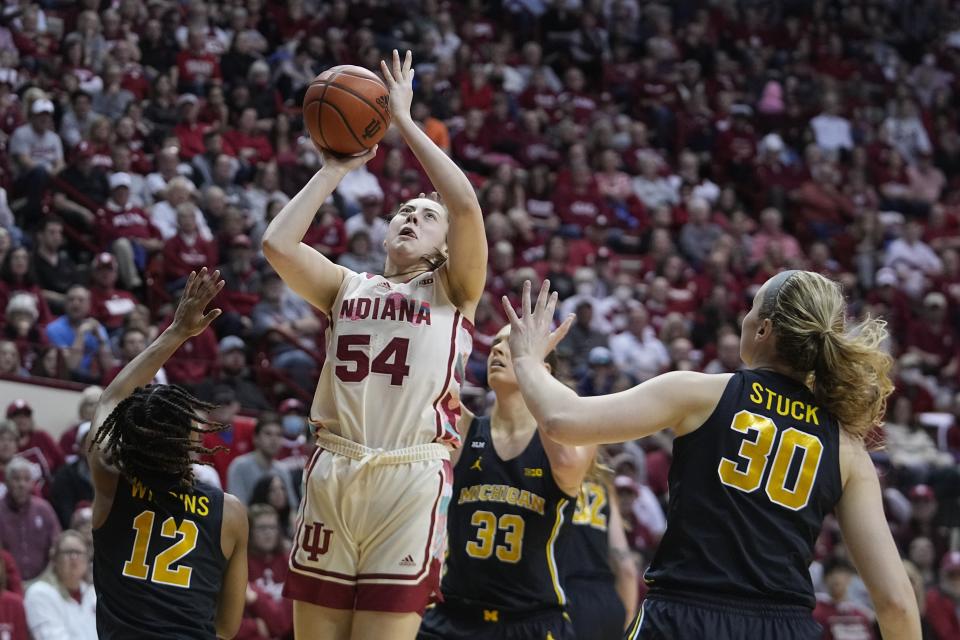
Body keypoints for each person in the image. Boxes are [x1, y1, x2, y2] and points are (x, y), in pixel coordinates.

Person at [501, 273, 921, 639]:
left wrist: (528, 357)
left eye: (752, 307)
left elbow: (561, 418)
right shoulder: (847, 447)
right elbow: (897, 604)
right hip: (785, 627)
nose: (745, 316)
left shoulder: (701, 392)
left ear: (764, 330)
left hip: (686, 616)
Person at [263, 50, 487, 640]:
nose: (411, 217)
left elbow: (464, 205)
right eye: (403, 212)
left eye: (424, 216)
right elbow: (278, 245)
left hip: (410, 474)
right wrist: (335, 167)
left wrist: (405, 123)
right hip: (336, 466)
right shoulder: (347, 286)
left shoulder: (454, 289)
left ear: (444, 244)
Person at [88, 268, 248, 639]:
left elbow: (111, 398)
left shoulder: (111, 483)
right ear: (191, 444)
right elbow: (225, 628)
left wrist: (176, 331)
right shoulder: (230, 513)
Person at [417, 325, 595, 639]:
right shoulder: (465, 428)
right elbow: (427, 379)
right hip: (453, 617)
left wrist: (536, 378)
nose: (497, 349)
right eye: (496, 342)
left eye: (512, 344)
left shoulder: (569, 441)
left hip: (531, 621)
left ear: (544, 369)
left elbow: (567, 461)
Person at [562, 468, 639, 639]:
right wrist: (627, 619)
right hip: (607, 603)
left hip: (563, 599)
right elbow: (627, 570)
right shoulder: (601, 485)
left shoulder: (547, 475)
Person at [23, 530, 97, 640]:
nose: (74, 557)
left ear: (87, 559)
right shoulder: (39, 593)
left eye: (79, 553)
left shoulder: (93, 593)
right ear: (54, 559)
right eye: (68, 552)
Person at [226, 413, 299, 507]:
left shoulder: (283, 470)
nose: (274, 439)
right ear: (255, 438)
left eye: (279, 435)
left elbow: (292, 509)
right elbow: (237, 509)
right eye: (268, 434)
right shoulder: (239, 466)